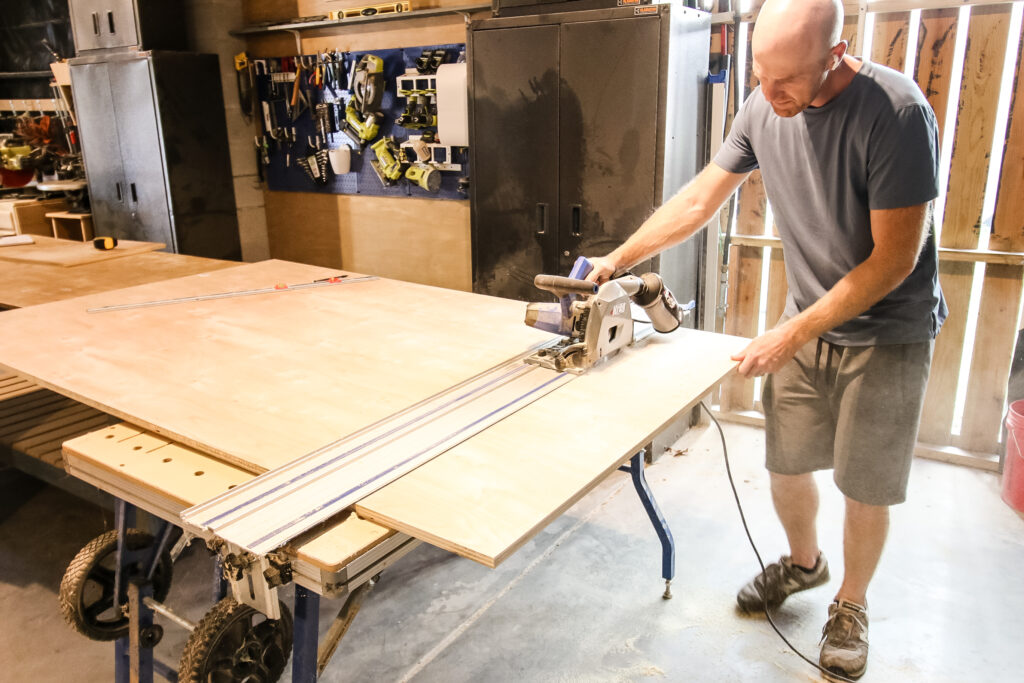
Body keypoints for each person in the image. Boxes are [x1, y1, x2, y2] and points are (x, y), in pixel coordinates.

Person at [584, 0, 945, 678]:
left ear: (834, 57)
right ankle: (805, 563)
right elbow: (698, 201)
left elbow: (894, 259)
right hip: (807, 314)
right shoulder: (761, 106)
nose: (768, 93)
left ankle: (851, 602)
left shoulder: (894, 113)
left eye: (785, 80)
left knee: (866, 481)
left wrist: (791, 332)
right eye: (759, 73)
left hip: (888, 327)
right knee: (786, 462)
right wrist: (621, 258)